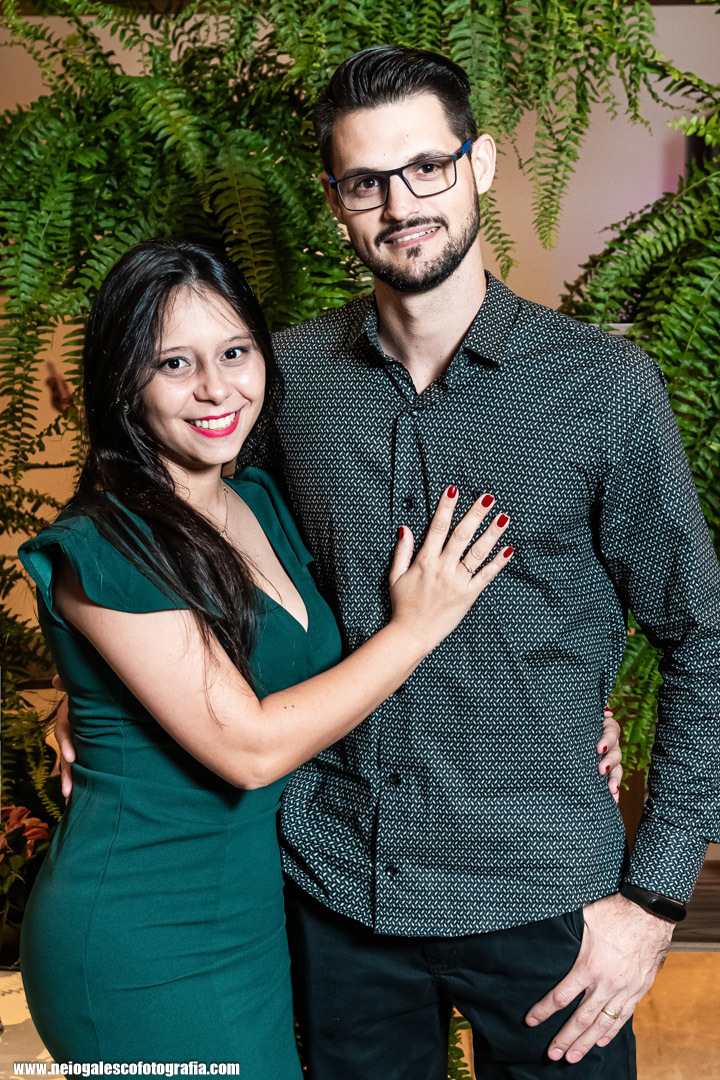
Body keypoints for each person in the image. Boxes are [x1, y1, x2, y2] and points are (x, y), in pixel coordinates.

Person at [263, 45, 719, 1079]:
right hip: (337, 889)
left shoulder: (602, 386)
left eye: (427, 166)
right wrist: (101, 697)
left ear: (481, 163)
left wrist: (654, 903)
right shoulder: (286, 383)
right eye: (367, 181)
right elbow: (198, 553)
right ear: (334, 200)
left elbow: (702, 637)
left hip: (547, 898)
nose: (401, 204)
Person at [16, 237, 517, 1075]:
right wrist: (418, 626)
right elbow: (248, 747)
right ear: (123, 380)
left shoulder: (254, 500)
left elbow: (296, 677)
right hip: (139, 938)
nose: (216, 388)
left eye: (235, 352)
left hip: (248, 920)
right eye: (174, 363)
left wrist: (571, 714)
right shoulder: (105, 542)